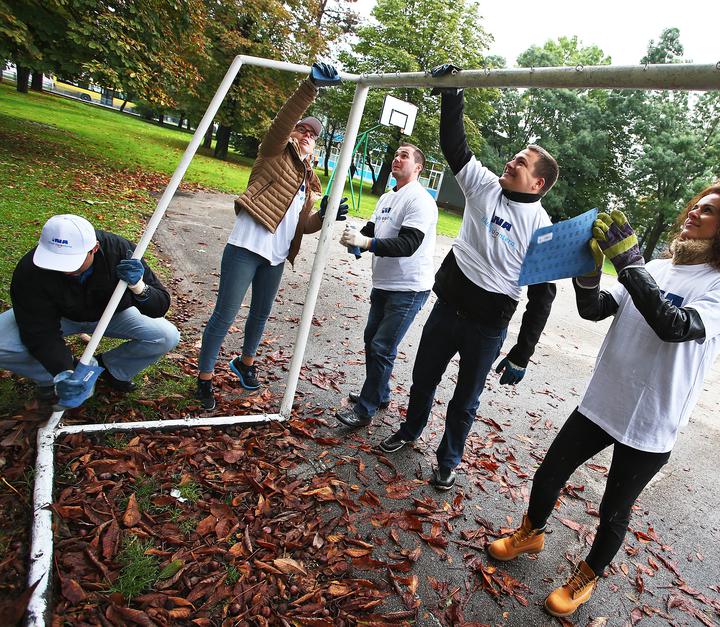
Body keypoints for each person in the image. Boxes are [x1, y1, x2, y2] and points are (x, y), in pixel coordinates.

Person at [486, 184, 720, 617]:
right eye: (694, 204)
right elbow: (594, 309)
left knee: (613, 510)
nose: (693, 211)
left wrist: (631, 263)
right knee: (549, 474)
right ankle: (531, 533)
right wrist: (589, 270)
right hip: (603, 401)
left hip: (652, 420)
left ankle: (587, 575)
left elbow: (674, 325)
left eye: (707, 210)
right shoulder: (658, 266)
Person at [376, 64, 558, 491]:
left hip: (488, 325)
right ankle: (409, 430)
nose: (512, 161)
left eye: (523, 163)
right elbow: (453, 144)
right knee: (423, 378)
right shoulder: (484, 186)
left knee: (465, 401)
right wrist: (452, 93)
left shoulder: (543, 228)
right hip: (447, 308)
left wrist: (522, 352)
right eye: (516, 155)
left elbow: (543, 298)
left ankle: (448, 459)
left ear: (538, 183)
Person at [194, 62, 348, 411]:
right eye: (303, 129)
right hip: (247, 246)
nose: (308, 134)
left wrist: (324, 215)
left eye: (314, 134)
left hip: (276, 255)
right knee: (225, 314)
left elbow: (302, 225)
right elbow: (282, 122)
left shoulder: (310, 179)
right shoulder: (274, 151)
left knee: (260, 314)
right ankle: (204, 379)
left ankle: (245, 364)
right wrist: (310, 87)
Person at [0, 214, 179, 408]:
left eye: (71, 261)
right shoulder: (32, 269)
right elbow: (38, 330)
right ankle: (54, 379)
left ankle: (112, 369)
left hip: (113, 314)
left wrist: (138, 286)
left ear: (94, 248)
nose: (64, 270)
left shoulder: (120, 251)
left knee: (166, 335)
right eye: (56, 260)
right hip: (60, 316)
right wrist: (64, 370)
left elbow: (160, 306)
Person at [335, 143, 438, 427]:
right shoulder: (386, 198)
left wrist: (367, 243)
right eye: (396, 154)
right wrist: (355, 237)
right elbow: (371, 231)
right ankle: (379, 393)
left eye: (405, 155)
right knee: (372, 341)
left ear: (418, 167)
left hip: (409, 288)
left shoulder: (420, 200)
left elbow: (408, 244)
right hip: (383, 283)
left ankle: (365, 410)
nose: (397, 158)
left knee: (382, 347)